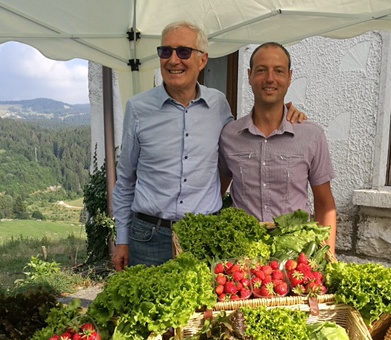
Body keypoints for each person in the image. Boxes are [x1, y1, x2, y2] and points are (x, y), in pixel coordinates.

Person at [112, 22, 305, 269]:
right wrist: (122, 239)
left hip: (203, 237)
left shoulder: (219, 105)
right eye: (165, 52)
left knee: (204, 307)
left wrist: (287, 112)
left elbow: (246, 136)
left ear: (202, 60)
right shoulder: (138, 109)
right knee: (147, 306)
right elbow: (126, 179)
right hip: (149, 236)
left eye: (183, 52)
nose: (173, 60)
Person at [219, 42, 337, 253]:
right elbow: (215, 193)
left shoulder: (311, 135)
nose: (270, 79)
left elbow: (325, 204)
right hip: (242, 256)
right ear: (249, 75)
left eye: (279, 71)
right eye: (261, 70)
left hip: (295, 255)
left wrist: (326, 257)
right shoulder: (229, 135)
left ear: (290, 77)